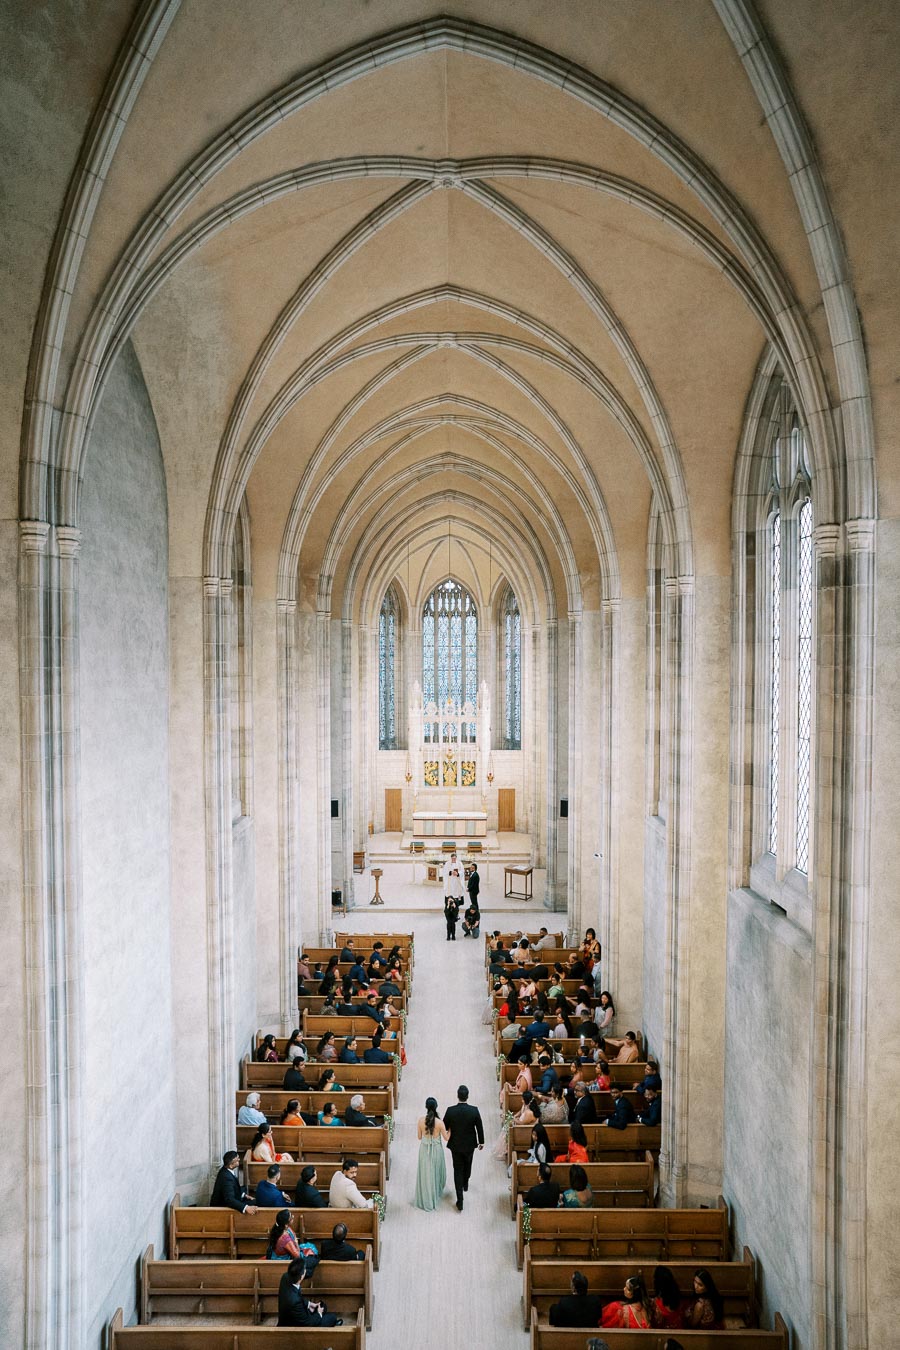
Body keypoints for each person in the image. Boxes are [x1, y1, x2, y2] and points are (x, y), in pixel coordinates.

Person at [443, 1084, 484, 1211]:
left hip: (455, 1145)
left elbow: (445, 1125)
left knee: (457, 1169)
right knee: (468, 1164)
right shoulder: (474, 1110)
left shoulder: (450, 1110)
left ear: (457, 1095)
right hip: (470, 1144)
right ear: (468, 1096)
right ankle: (465, 1182)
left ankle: (460, 1198)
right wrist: (481, 1142)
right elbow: (479, 1127)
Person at [277, 1258, 341, 1327]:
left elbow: (297, 1298)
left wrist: (309, 1304)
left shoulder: (285, 1277)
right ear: (301, 1276)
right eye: (304, 1270)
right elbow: (307, 1323)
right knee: (332, 1317)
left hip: (293, 1315)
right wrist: (319, 1313)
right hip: (294, 1327)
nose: (305, 1271)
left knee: (323, 1307)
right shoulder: (295, 1301)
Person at [414, 1096, 449, 1210]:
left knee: (425, 1173)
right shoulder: (439, 1122)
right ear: (436, 1107)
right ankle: (435, 1193)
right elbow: (446, 1138)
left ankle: (426, 1198)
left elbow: (419, 1137)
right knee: (435, 1171)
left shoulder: (420, 1120)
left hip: (424, 1149)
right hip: (436, 1149)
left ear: (426, 1107)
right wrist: (451, 1129)